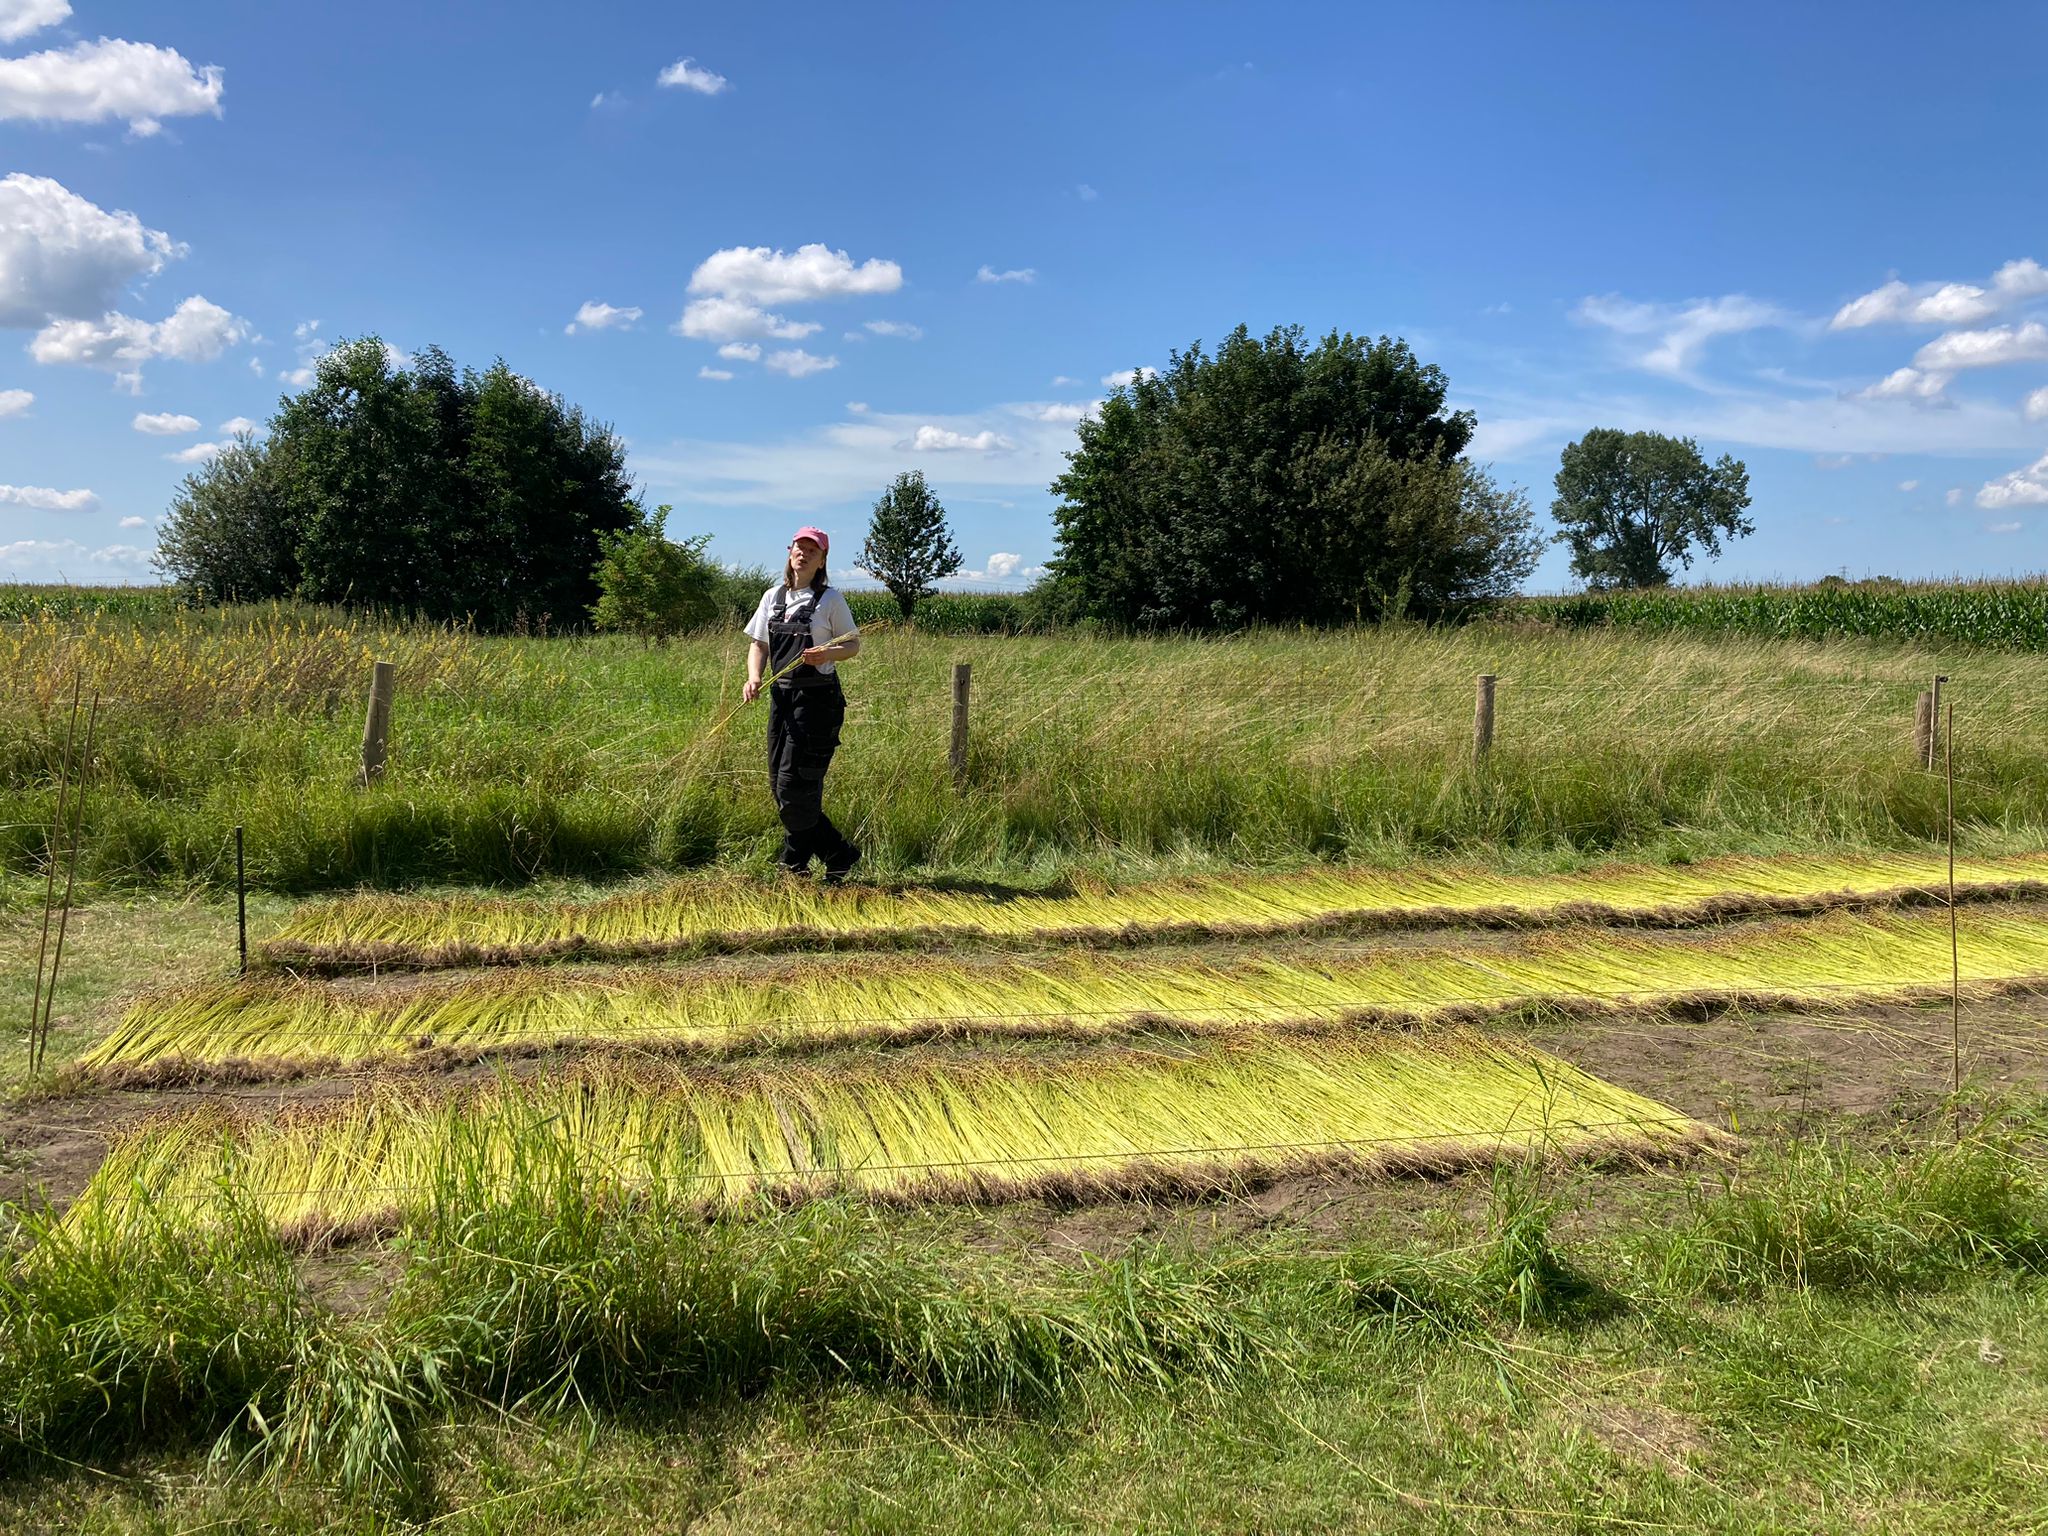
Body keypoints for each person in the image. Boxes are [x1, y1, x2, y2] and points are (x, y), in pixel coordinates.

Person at [742, 527, 863, 880]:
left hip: (817, 703)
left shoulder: (831, 600)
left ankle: (794, 863)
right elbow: (759, 645)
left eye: (813, 550)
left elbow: (853, 645)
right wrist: (753, 677)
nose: (804, 553)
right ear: (790, 551)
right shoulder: (773, 597)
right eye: (800, 546)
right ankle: (837, 853)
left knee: (795, 786)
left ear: (822, 559)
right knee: (780, 785)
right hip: (781, 699)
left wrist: (828, 652)